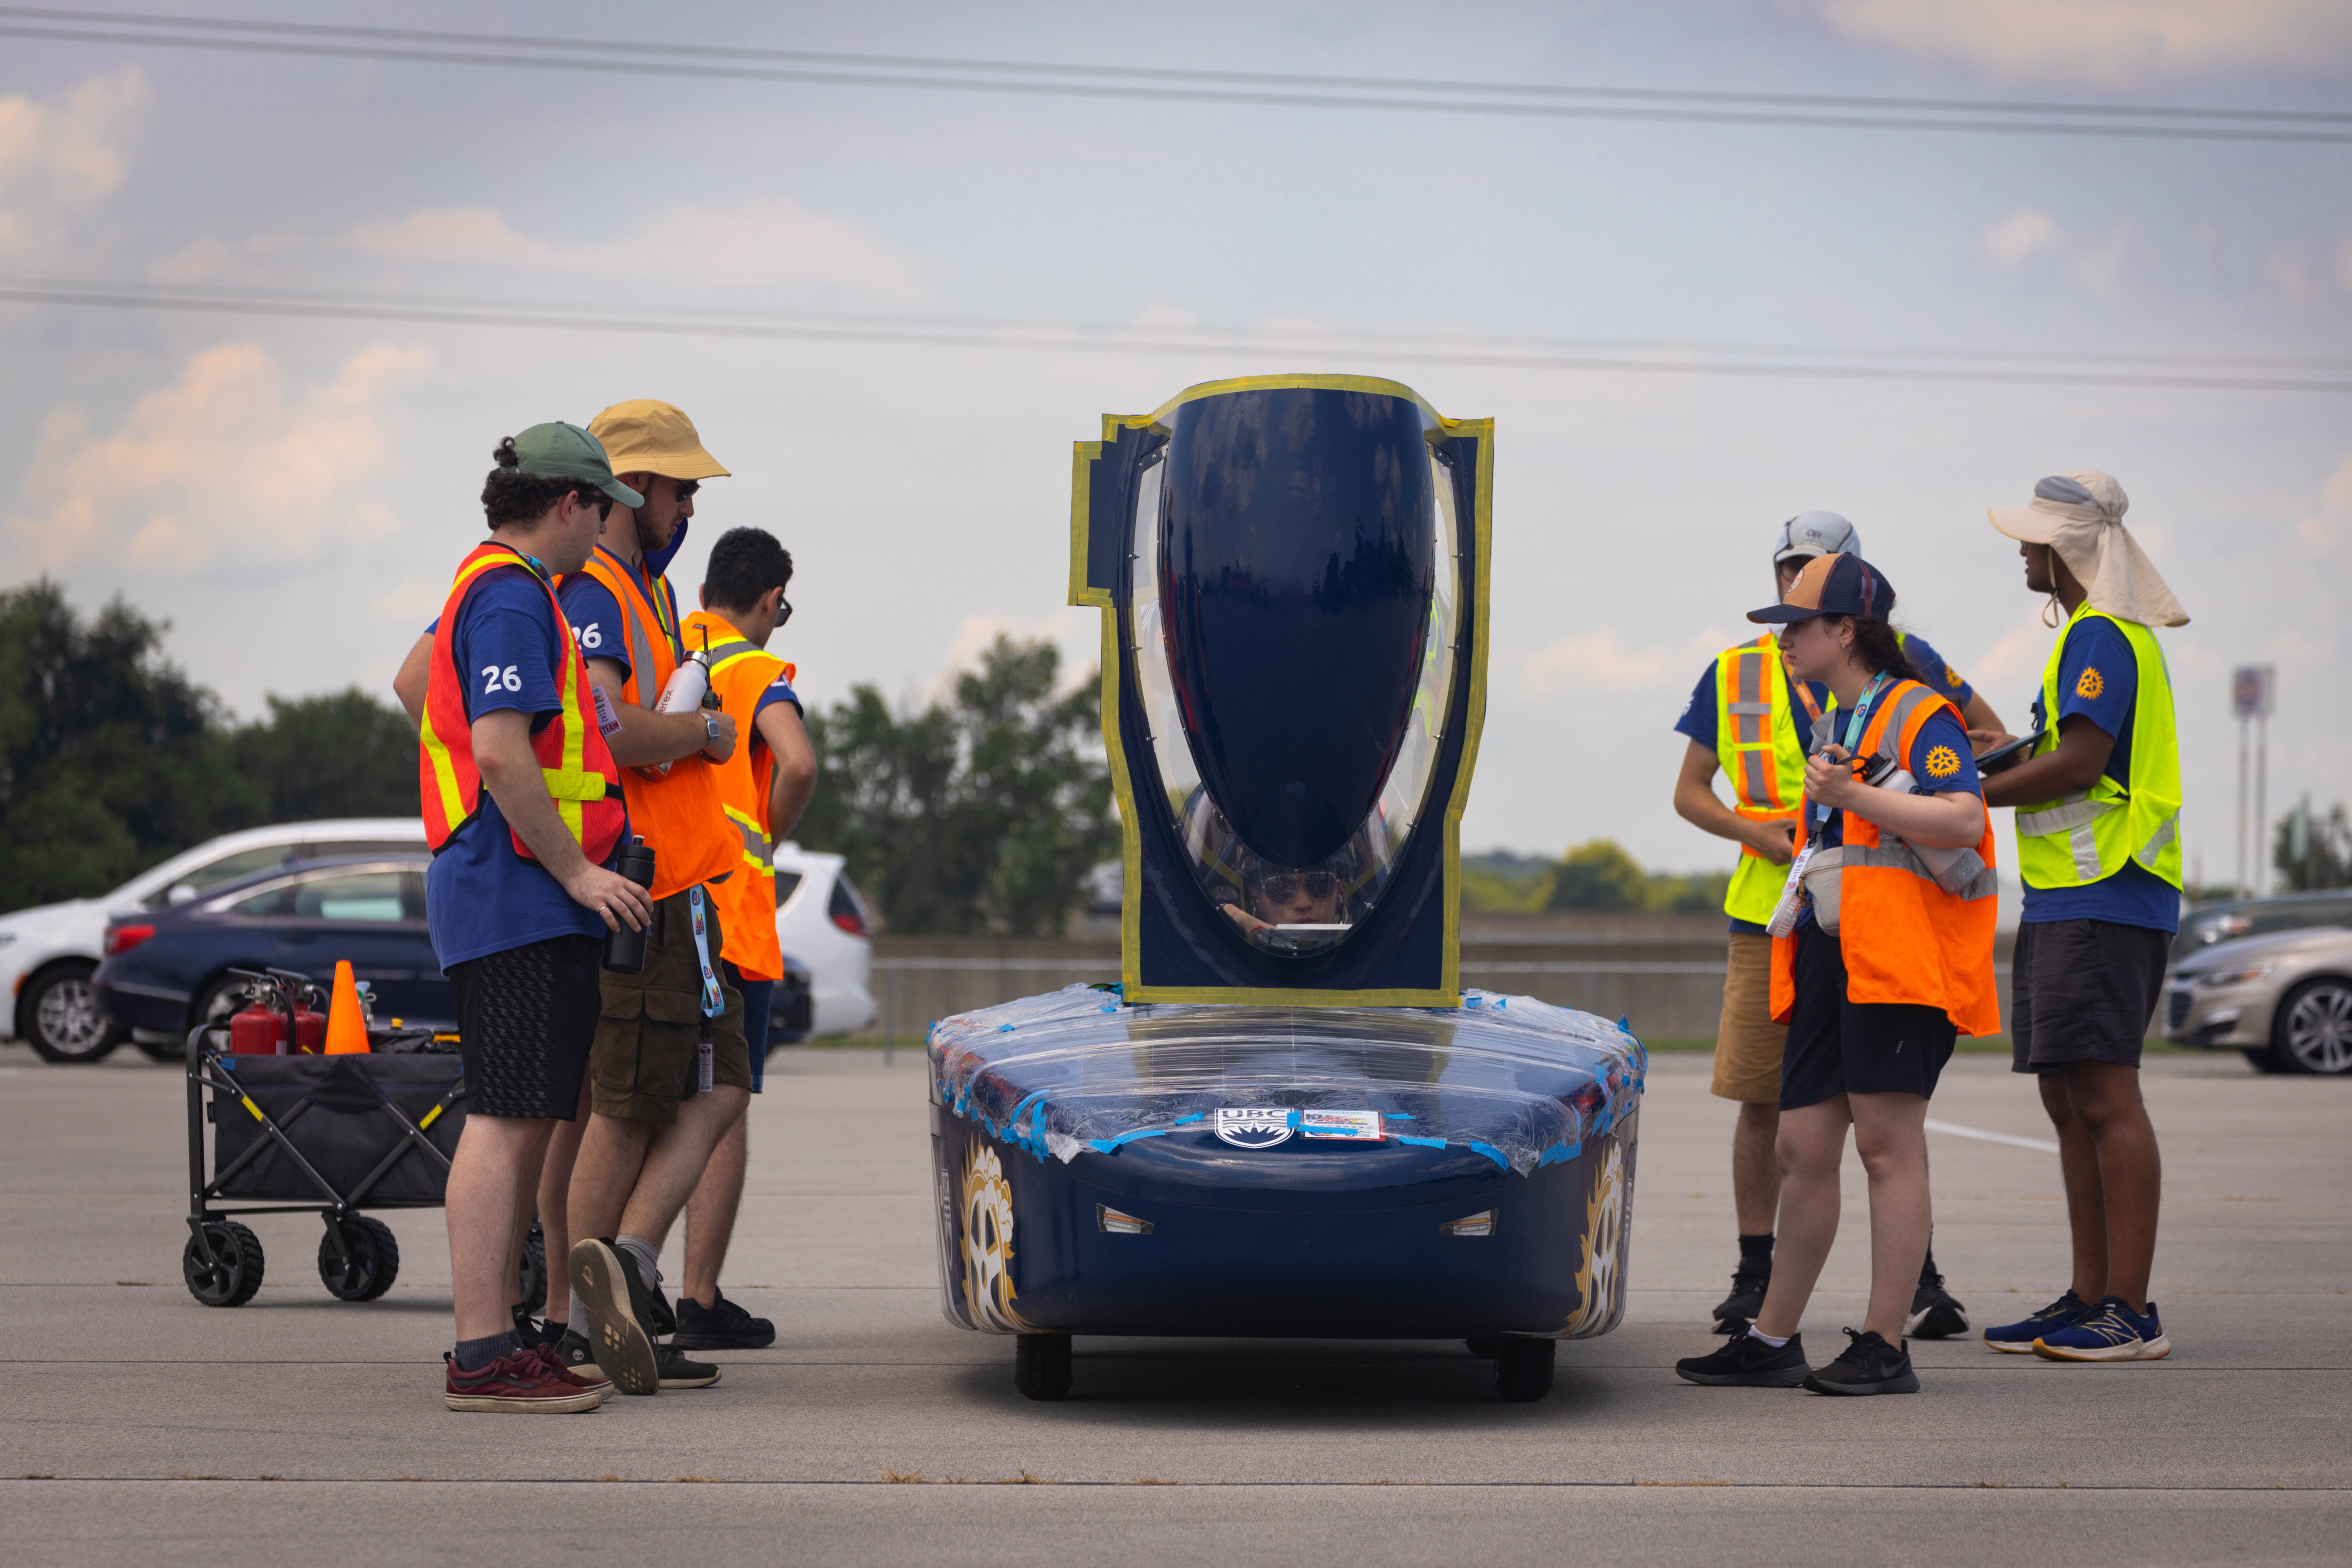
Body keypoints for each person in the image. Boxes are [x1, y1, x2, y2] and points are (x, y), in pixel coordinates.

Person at [1675, 552, 1999, 1395]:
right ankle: (1774, 1335)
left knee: (1888, 1147)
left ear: (1845, 631)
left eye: (1798, 625)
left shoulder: (1915, 712)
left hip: (1896, 962)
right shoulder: (1844, 721)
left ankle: (1886, 1344)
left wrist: (1855, 799)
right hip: (1836, 950)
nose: (1784, 640)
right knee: (1802, 1142)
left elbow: (1964, 817)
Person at [418, 425, 655, 1412]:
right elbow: (503, 751)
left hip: (509, 891)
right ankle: (482, 1352)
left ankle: (498, 1341)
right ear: (570, 504)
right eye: (603, 510)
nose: (606, 531)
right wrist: (579, 872)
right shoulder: (514, 595)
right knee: (507, 1120)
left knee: (517, 1117)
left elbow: (419, 693)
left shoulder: (498, 592)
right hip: (518, 893)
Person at [553, 398, 754, 1398]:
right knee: (629, 1107)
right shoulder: (596, 588)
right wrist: (705, 737)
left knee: (715, 1086)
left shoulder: (642, 591)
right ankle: (589, 1317)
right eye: (679, 488)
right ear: (632, 488)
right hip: (642, 885)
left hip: (683, 885)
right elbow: (611, 728)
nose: (688, 508)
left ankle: (624, 1269)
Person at [1970, 472, 2185, 1363]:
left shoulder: (2103, 634)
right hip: (2069, 898)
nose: (2021, 549)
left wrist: (1970, 791)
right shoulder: (2083, 641)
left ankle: (2128, 1311)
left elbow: (2084, 762)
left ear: (2070, 549)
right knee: (2067, 1097)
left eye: (2032, 538)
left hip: (2109, 895)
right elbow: (2060, 749)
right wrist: (1998, 755)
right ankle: (2088, 1294)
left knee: (2105, 1094)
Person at [670, 526, 818, 1350]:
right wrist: (766, 832)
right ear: (770, 599)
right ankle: (696, 1297)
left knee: (639, 1101)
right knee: (721, 1103)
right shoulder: (756, 668)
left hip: (653, 902)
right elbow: (796, 764)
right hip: (730, 918)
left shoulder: (664, 641)